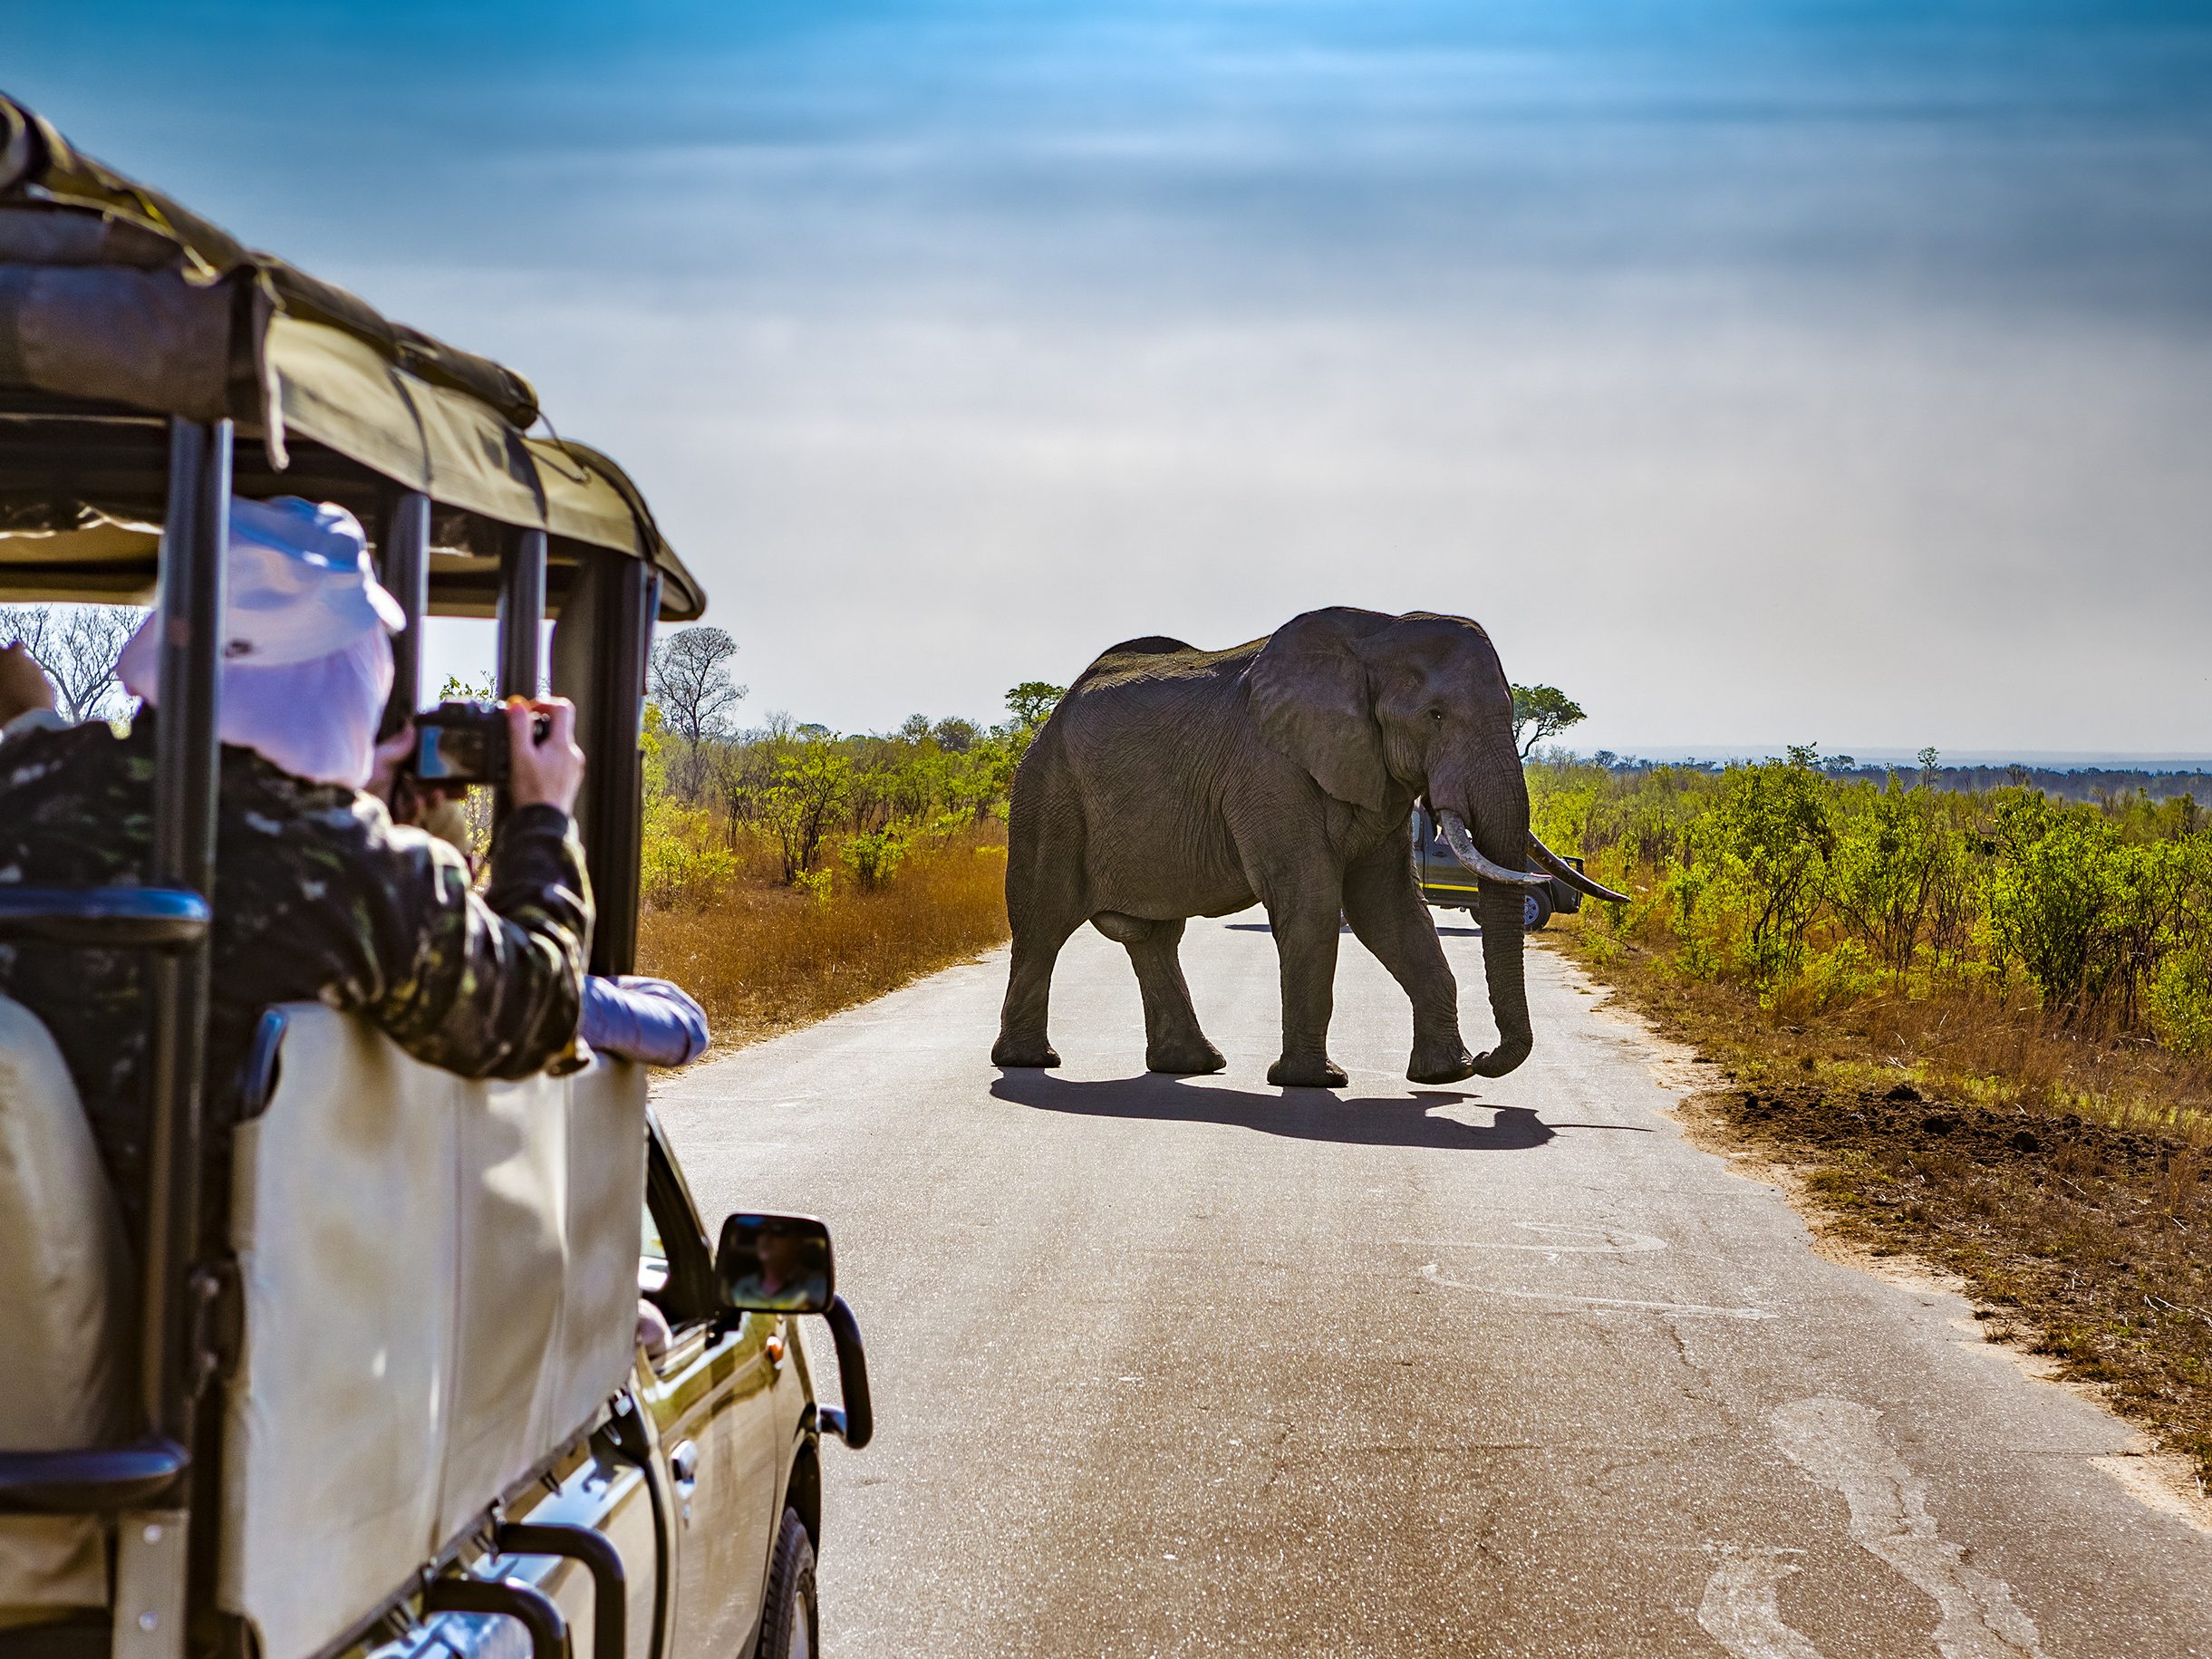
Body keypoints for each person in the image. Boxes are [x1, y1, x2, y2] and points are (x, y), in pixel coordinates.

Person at [0, 497, 591, 1240]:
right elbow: (535, 1011)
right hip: (210, 1334)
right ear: (346, 670)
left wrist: (350, 792)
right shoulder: (362, 875)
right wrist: (542, 818)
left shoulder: (24, 780)